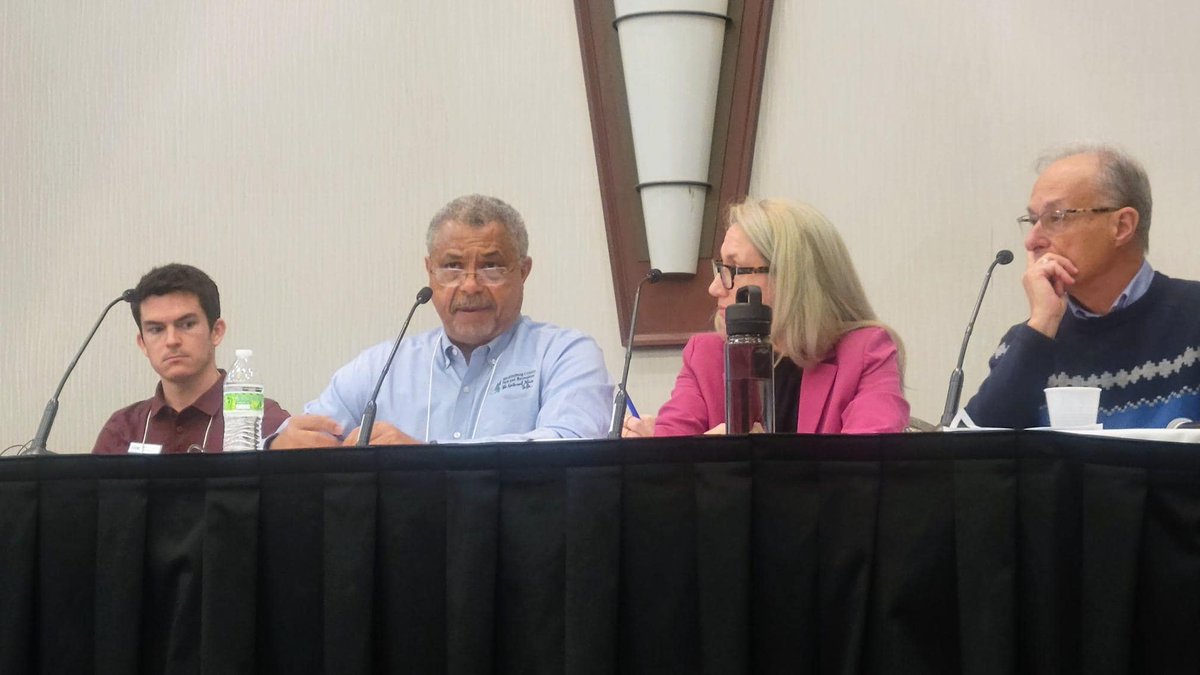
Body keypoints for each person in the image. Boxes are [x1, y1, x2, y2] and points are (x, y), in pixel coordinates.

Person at [271, 194, 613, 448]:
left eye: (491, 266)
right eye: (452, 267)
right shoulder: (384, 366)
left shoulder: (564, 354)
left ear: (523, 272)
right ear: (429, 272)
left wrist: (425, 456)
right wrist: (281, 444)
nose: (470, 285)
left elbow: (569, 443)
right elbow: (306, 430)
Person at [624, 198, 909, 437]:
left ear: (791, 277)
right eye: (720, 269)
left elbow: (867, 468)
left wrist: (741, 457)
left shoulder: (865, 353)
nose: (714, 288)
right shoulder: (705, 356)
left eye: (734, 270)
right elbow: (672, 463)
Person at [966, 145, 1200, 429]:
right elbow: (971, 459)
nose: (1032, 241)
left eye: (1057, 217)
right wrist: (1042, 324)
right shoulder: (1028, 343)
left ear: (1122, 225)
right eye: (1032, 221)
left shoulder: (1192, 318)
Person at [92, 264, 290, 454]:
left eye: (186, 325)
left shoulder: (266, 422)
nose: (171, 341)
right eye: (156, 329)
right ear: (142, 343)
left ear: (216, 332)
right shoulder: (123, 429)